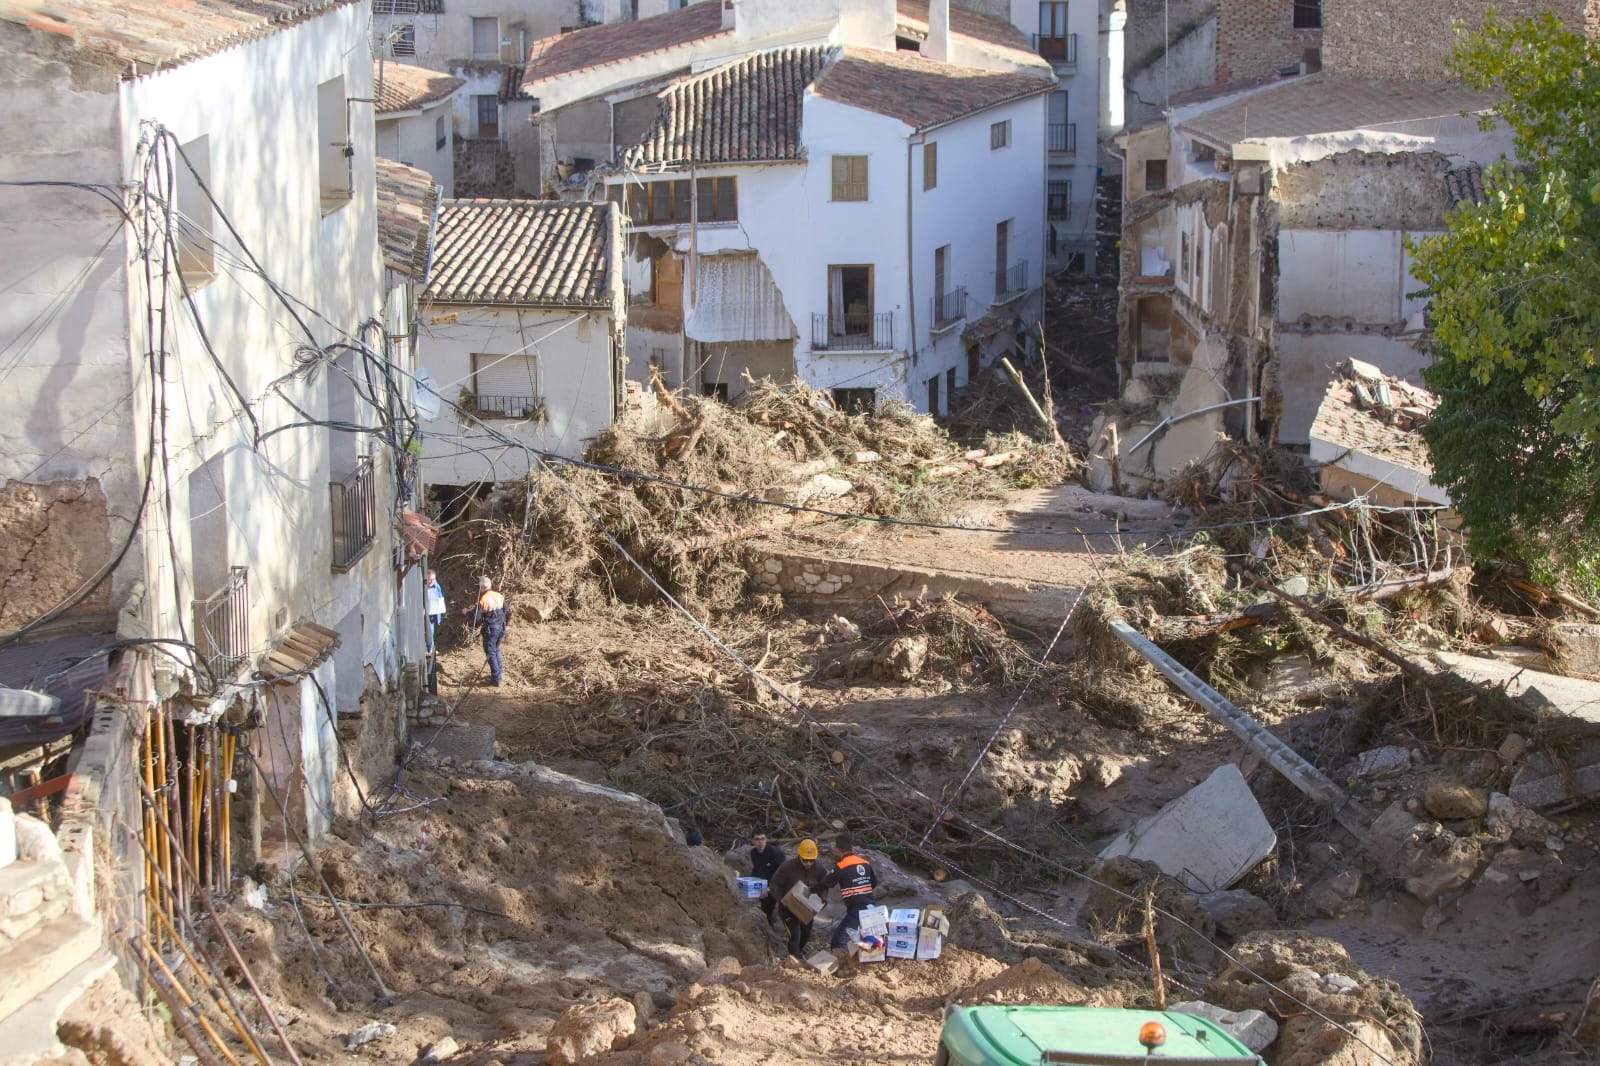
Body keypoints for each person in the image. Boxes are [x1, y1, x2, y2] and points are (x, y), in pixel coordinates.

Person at [767, 838, 827, 960]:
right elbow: (774, 884)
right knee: (795, 934)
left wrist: (823, 898)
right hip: (788, 909)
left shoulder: (819, 869)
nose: (808, 863)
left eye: (811, 860)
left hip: (807, 908)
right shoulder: (787, 867)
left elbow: (824, 885)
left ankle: (796, 954)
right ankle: (795, 959)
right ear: (799, 856)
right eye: (805, 860)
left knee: (806, 934)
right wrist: (781, 900)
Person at [819, 832, 878, 949]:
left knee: (838, 942)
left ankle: (846, 960)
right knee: (867, 942)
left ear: (837, 849)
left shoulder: (841, 866)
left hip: (857, 911)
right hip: (871, 907)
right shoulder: (865, 863)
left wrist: (810, 890)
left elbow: (825, 884)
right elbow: (873, 883)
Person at [463, 575, 507, 686]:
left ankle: (496, 678)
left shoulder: (483, 599)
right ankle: (499, 674)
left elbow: (476, 617)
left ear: (482, 587)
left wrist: (467, 612)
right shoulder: (499, 596)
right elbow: (507, 612)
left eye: (480, 587)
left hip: (491, 628)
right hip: (501, 626)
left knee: (490, 652)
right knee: (496, 649)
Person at [746, 832, 785, 926]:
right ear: (752, 841)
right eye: (757, 839)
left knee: (771, 901)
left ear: (766, 840)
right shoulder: (753, 853)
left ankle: (772, 920)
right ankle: (768, 920)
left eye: (762, 839)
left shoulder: (774, 853)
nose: (760, 842)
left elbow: (781, 873)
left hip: (780, 878)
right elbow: (757, 869)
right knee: (763, 901)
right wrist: (751, 882)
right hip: (765, 878)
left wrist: (768, 888)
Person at [424, 570, 446, 653]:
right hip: (423, 613)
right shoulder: (422, 587)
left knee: (430, 631)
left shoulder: (436, 586)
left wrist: (439, 614)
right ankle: (426, 649)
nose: (431, 581)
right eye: (429, 579)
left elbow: (440, 598)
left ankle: (430, 649)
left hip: (431, 613)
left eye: (433, 579)